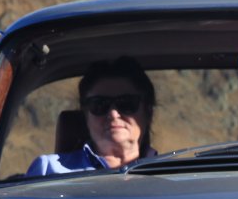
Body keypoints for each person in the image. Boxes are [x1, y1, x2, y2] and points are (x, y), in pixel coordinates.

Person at [26, 56, 158, 176]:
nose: (113, 114)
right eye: (99, 104)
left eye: (126, 103)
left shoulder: (166, 174)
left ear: (148, 111)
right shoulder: (47, 171)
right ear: (85, 115)